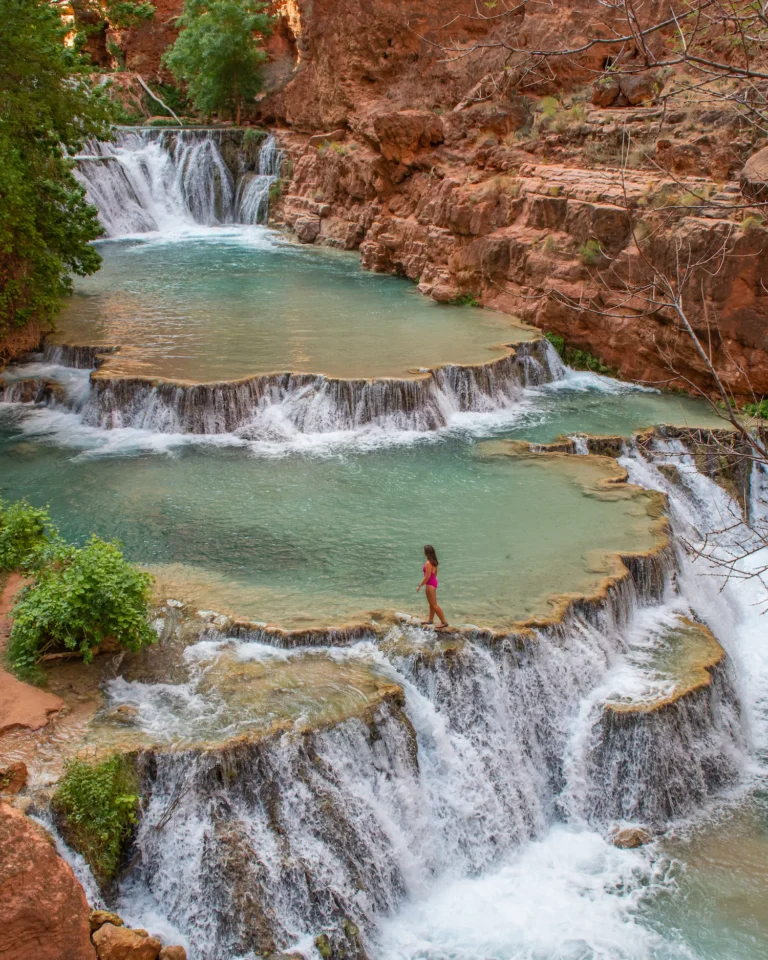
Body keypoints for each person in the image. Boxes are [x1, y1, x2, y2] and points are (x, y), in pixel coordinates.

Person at [417, 544, 449, 630]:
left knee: (434, 605)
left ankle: (444, 622)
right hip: (433, 583)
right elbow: (435, 574)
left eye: (424, 550)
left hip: (430, 584)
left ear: (426, 552)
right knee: (432, 604)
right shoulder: (434, 562)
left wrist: (419, 585)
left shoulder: (428, 563)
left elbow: (427, 577)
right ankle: (430, 620)